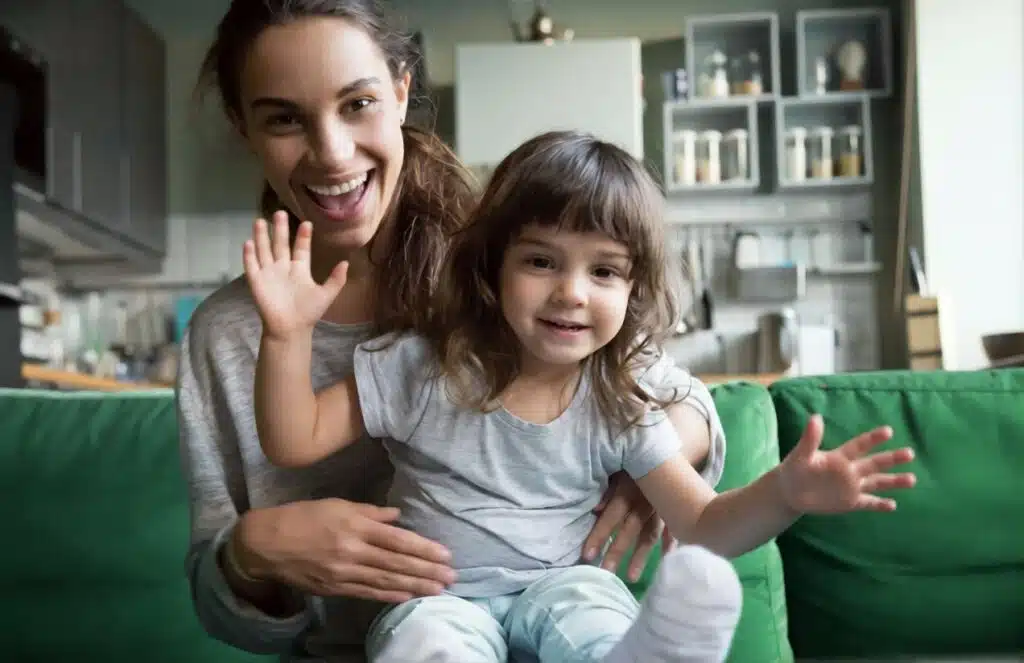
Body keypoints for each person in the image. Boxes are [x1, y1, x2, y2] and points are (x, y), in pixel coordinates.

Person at [177, 2, 722, 660]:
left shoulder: (497, 272)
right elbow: (222, 608)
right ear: (245, 128)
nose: (332, 151)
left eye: (358, 103)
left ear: (402, 91)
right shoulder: (228, 337)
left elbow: (678, 398)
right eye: (285, 118)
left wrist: (646, 463)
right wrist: (256, 547)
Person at [245, 130, 918, 663]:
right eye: (541, 260)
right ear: (492, 267)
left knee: (596, 622)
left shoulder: (618, 400)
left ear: (634, 291)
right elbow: (293, 436)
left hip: (563, 585)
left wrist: (786, 493)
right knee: (429, 646)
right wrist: (287, 333)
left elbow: (703, 523)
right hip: (438, 597)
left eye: (604, 271)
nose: (571, 291)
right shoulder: (424, 365)